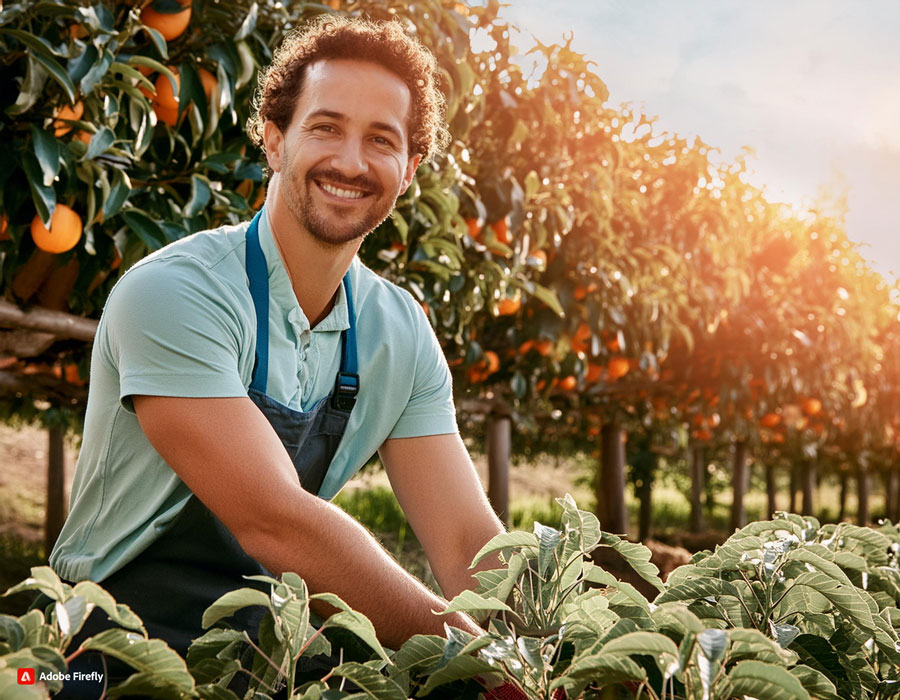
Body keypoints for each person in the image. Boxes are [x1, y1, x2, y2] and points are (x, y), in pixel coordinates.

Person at [48, 15, 507, 696]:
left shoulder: (398, 331)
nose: (351, 161)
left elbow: (468, 539)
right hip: (104, 645)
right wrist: (468, 654)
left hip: (260, 649)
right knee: (34, 684)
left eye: (380, 140)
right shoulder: (176, 293)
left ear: (408, 170)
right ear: (273, 141)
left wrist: (563, 646)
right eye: (325, 127)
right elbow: (273, 519)